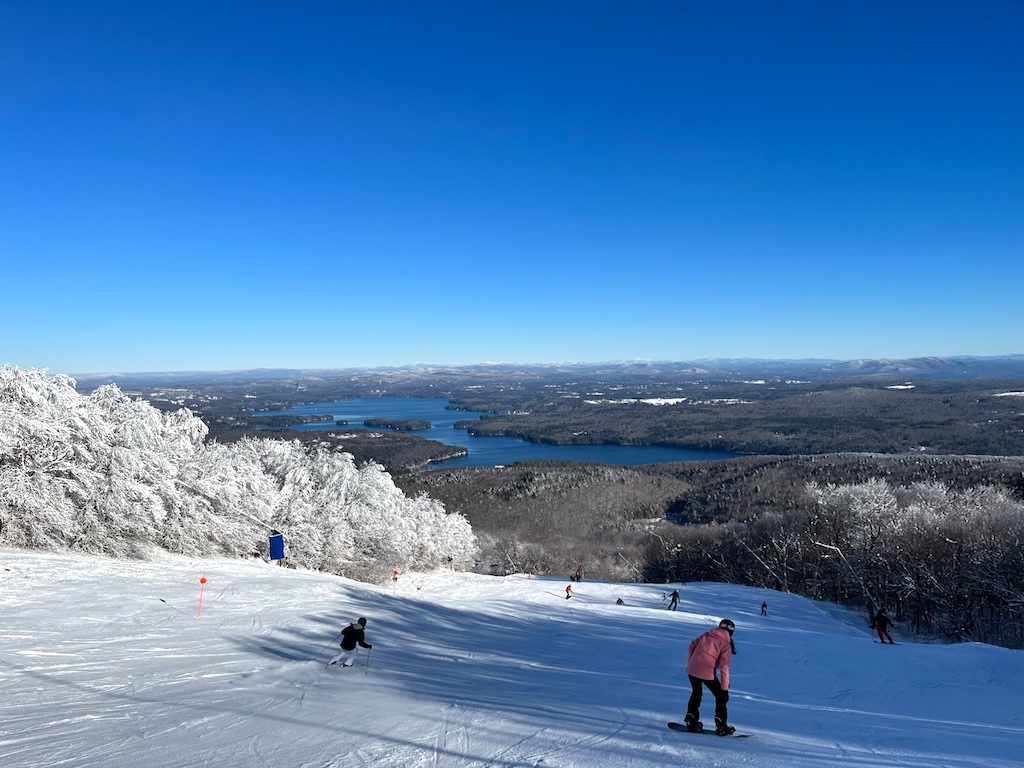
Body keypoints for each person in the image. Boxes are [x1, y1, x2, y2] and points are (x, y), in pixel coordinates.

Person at [684, 619, 737, 736]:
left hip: (692, 670)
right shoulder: (725, 645)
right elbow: (724, 667)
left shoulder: (707, 634)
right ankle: (721, 725)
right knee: (721, 697)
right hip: (706, 672)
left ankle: (691, 719)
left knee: (696, 693)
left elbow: (691, 645)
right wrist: (724, 687)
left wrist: (691, 663)